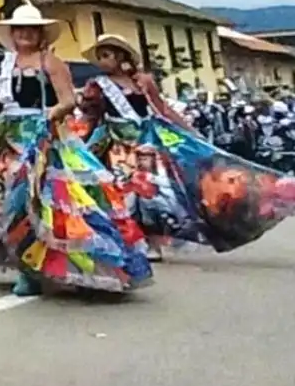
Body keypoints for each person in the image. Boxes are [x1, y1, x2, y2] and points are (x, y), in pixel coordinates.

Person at [0, 5, 148, 296]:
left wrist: (51, 113)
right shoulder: (5, 64)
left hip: (43, 140)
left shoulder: (51, 63)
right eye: (19, 29)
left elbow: (69, 100)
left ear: (40, 33)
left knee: (36, 206)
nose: (25, 34)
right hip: (7, 139)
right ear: (12, 33)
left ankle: (32, 272)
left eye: (30, 29)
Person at [82, 35, 295, 250]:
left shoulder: (142, 82)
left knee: (151, 193)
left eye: (106, 55)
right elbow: (91, 117)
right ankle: (130, 241)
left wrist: (191, 132)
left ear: (120, 56)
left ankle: (153, 242)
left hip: (147, 145)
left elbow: (163, 109)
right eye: (99, 57)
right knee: (123, 191)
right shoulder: (98, 86)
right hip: (118, 147)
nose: (101, 61)